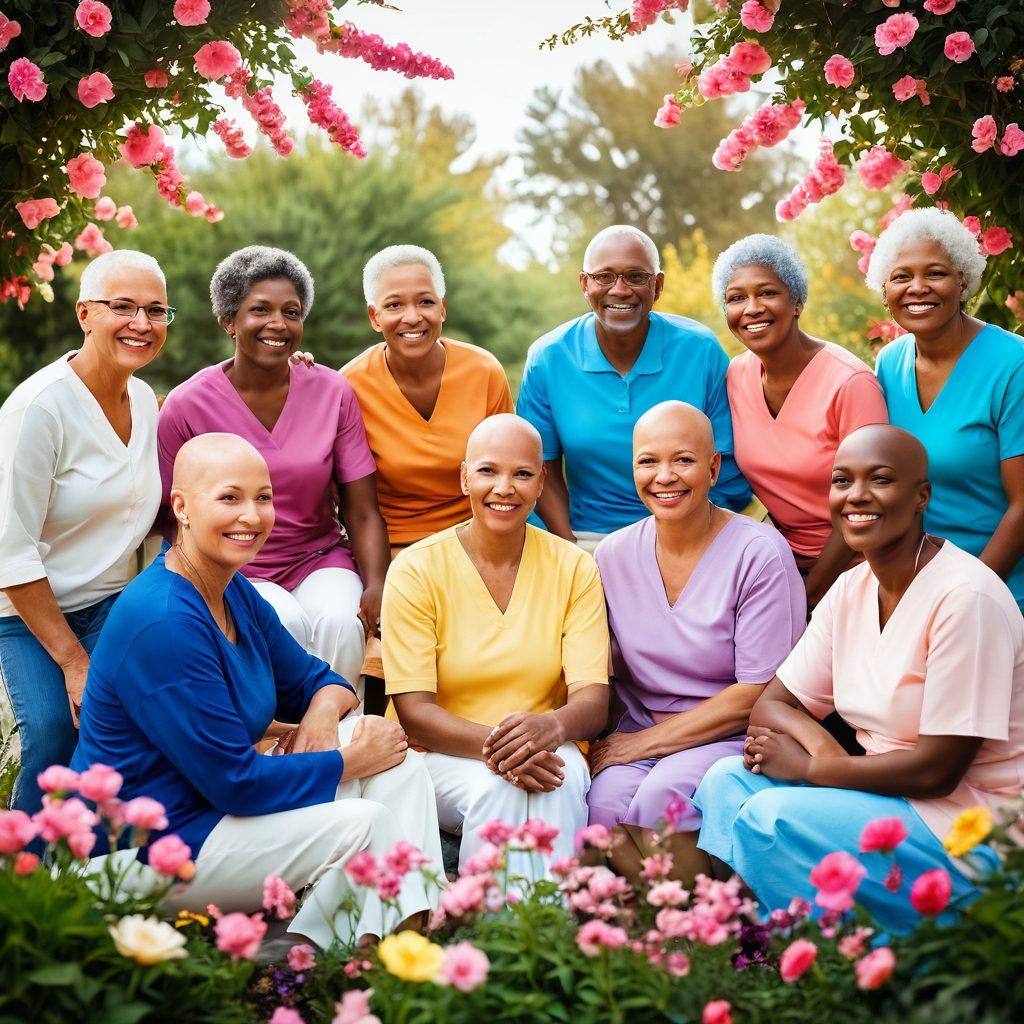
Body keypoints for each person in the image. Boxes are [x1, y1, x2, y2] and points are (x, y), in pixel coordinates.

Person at [72, 434, 443, 948]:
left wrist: (321, 718)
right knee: (365, 820)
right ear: (180, 506)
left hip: (210, 812)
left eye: (263, 497)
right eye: (230, 498)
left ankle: (380, 938)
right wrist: (349, 760)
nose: (252, 515)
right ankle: (349, 956)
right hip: (142, 848)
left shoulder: (230, 589)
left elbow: (321, 679)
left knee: (396, 760)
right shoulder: (165, 623)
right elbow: (237, 784)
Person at [694, 425, 1023, 935]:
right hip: (884, 793)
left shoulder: (965, 600)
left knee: (771, 817)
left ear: (921, 497)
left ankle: (839, 955)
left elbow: (936, 772)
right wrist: (824, 753)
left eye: (881, 479)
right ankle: (775, 936)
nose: (857, 496)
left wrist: (810, 770)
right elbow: (772, 705)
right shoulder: (852, 586)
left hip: (970, 827)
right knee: (723, 783)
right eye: (842, 481)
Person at [382, 414, 609, 878]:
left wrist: (549, 728)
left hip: (547, 744)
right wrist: (503, 751)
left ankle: (547, 925)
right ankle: (494, 928)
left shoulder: (575, 567)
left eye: (522, 473)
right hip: (439, 757)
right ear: (464, 477)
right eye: (488, 471)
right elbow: (414, 712)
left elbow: (593, 700)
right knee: (500, 788)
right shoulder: (416, 569)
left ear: (542, 481)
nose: (504, 487)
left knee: (559, 779)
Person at [587, 402, 805, 881]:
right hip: (642, 729)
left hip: (733, 738)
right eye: (648, 461)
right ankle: (641, 937)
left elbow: (759, 693)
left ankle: (705, 936)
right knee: (601, 807)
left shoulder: (759, 553)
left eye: (683, 460)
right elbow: (602, 665)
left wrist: (638, 745)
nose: (665, 476)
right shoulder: (612, 555)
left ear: (713, 468)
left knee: (658, 802)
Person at [158, 247, 390, 697]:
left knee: (341, 623)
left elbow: (362, 510)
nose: (277, 324)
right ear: (229, 320)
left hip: (318, 558)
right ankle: (281, 751)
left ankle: (341, 744)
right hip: (235, 569)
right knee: (282, 624)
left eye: (291, 312)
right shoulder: (187, 405)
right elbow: (172, 519)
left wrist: (376, 582)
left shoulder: (331, 390)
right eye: (259, 310)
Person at [0, 250, 167, 814]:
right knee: (51, 733)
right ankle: (23, 881)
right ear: (84, 315)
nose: (141, 324)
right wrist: (74, 663)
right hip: (26, 611)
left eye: (155, 310)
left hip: (110, 604)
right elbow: (11, 551)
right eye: (122, 307)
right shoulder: (38, 409)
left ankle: (103, 870)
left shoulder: (144, 400)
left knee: (125, 732)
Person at [516, 225, 749, 554]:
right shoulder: (549, 357)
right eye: (604, 277)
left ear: (658, 286)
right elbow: (541, 466)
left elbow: (726, 463)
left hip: (690, 535)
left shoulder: (700, 351)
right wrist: (568, 547)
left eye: (636, 276)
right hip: (588, 538)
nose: (620, 290)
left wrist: (692, 543)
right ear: (585, 284)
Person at [715, 234, 888, 607]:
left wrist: (806, 599)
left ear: (797, 302)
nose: (752, 308)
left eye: (767, 293)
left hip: (862, 568)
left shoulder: (851, 383)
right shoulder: (737, 377)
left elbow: (868, 505)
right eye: (736, 298)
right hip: (782, 565)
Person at [869, 208, 1024, 612]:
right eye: (901, 276)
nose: (917, 288)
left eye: (935, 273)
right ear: (885, 290)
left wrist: (968, 598)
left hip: (999, 592)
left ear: (963, 281)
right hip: (914, 588)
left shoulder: (1013, 364)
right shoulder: (888, 363)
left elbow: (1023, 504)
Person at [342, 245, 515, 555]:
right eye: (394, 305)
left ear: (442, 308)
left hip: (476, 543)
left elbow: (508, 473)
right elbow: (348, 503)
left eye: (425, 302)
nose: (412, 317)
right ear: (374, 316)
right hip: (391, 550)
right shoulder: (349, 386)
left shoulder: (483, 371)